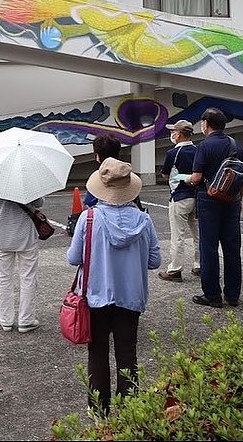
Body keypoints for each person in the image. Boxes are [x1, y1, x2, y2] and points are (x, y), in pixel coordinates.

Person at [67, 158, 160, 415]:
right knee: (128, 354)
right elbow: (155, 261)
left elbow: (74, 258)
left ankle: (99, 411)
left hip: (96, 296)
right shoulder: (144, 221)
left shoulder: (89, 219)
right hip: (131, 298)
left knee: (97, 354)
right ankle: (130, 410)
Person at [184, 108, 243, 308]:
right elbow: (241, 174)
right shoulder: (235, 144)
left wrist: (187, 180)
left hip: (209, 200)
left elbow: (197, 177)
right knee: (232, 247)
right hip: (232, 201)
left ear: (206, 124)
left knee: (208, 247)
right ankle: (233, 294)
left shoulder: (205, 146)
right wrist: (238, 200)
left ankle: (212, 295)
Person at [0, 196, 43, 333]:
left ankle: (5, 320)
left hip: (2, 237)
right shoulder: (28, 180)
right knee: (28, 278)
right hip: (26, 236)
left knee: (3, 278)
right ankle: (26, 320)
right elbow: (39, 203)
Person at [159, 120, 200, 282]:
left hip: (179, 197)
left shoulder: (172, 153)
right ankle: (199, 265)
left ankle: (175, 269)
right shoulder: (198, 150)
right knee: (198, 234)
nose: (172, 135)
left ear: (179, 134)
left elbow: (165, 175)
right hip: (197, 197)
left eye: (173, 132)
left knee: (178, 235)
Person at [83, 133, 144, 211]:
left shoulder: (98, 179)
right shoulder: (126, 175)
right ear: (118, 152)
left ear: (97, 156)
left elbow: (88, 204)